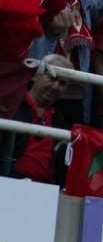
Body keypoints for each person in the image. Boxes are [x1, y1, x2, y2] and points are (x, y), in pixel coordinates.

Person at [1, 55, 73, 183]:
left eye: (62, 83)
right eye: (52, 78)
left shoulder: (61, 119)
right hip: (9, 184)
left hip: (48, 191)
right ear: (35, 76)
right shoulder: (10, 107)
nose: (56, 86)